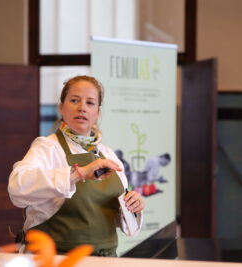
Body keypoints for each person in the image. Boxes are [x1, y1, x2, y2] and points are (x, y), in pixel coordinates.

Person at [8, 75, 145, 257]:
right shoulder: (47, 147)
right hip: (54, 259)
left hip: (104, 259)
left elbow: (126, 226)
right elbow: (17, 189)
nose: (82, 108)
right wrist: (77, 174)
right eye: (74, 100)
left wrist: (133, 207)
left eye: (90, 103)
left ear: (97, 112)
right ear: (61, 107)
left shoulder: (109, 155)